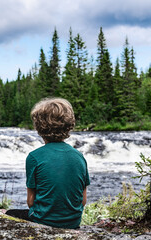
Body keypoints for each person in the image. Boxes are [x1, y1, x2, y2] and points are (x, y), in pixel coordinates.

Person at [7, 98, 90, 229]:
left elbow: (30, 202)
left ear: (38, 127)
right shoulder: (79, 157)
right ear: (69, 125)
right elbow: (83, 200)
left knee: (9, 214)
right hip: (73, 223)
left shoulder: (34, 157)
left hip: (43, 221)